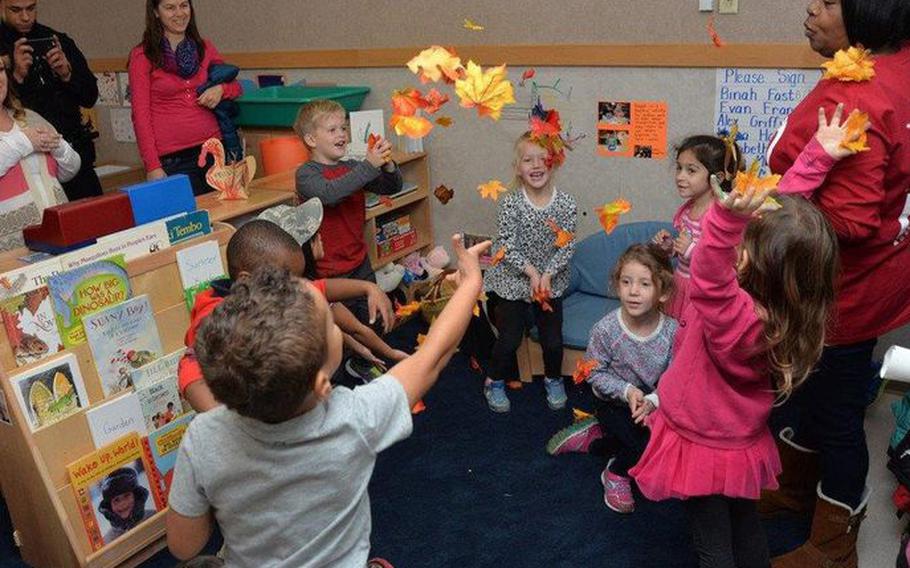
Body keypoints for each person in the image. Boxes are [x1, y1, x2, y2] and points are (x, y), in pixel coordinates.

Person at [165, 235, 489, 567]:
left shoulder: (203, 435)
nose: (337, 325)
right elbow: (433, 357)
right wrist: (470, 282)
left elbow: (184, 545)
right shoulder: (353, 419)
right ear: (323, 384)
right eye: (331, 327)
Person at [765, 1, 910, 565]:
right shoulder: (899, 67)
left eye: (827, 1)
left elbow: (846, 222)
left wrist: (764, 215)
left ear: (866, 15)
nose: (811, 8)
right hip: (878, 279)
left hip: (841, 293)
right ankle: (795, 486)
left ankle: (833, 543)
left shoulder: (856, 93)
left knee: (837, 415)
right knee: (818, 391)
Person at [627, 186, 839, 567]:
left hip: (702, 443)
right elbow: (787, 213)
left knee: (712, 545)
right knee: (745, 523)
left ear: (754, 262)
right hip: (740, 440)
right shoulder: (786, 315)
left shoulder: (735, 316)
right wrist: (818, 155)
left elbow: (709, 272)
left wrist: (726, 219)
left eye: (744, 243)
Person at [176, 219, 395, 413]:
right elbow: (189, 372)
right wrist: (235, 429)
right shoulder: (214, 317)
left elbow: (320, 287)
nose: (297, 287)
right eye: (289, 278)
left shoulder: (266, 290)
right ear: (246, 279)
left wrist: (368, 288)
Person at [548, 244, 676, 514]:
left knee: (667, 444)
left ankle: (595, 440)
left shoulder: (673, 332)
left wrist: (653, 399)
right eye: (626, 282)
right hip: (613, 402)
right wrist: (627, 391)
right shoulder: (605, 330)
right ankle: (616, 473)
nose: (633, 291)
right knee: (644, 444)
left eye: (644, 284)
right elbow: (594, 372)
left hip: (654, 401)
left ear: (663, 292)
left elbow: (677, 375)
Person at [258, 200, 408, 384]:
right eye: (313, 235)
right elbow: (355, 328)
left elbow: (346, 326)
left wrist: (362, 350)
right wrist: (391, 353)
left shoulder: (291, 288)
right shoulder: (307, 293)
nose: (320, 236)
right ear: (298, 252)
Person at [482, 131, 577, 413]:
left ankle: (553, 378)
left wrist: (547, 274)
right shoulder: (511, 203)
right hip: (513, 281)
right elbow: (504, 245)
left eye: (543, 159)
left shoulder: (566, 203)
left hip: (550, 283)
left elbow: (567, 245)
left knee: (553, 340)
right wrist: (531, 272)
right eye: (528, 160)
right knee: (509, 338)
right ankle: (494, 380)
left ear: (554, 162)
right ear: (518, 168)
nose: (536, 165)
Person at [295, 99, 402, 326]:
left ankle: (373, 359)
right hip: (327, 271)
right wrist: (368, 165)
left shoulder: (353, 167)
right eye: (332, 130)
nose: (341, 134)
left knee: (373, 322)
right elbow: (330, 194)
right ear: (311, 139)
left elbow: (390, 187)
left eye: (343, 128)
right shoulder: (306, 174)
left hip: (360, 262)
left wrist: (387, 164)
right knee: (342, 330)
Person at [128, 0, 242, 195]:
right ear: (156, 12)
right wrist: (153, 166)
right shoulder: (142, 56)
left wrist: (221, 90)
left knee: (227, 217)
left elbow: (236, 87)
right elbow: (140, 116)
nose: (179, 13)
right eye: (170, 8)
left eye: (183, 5)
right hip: (173, 160)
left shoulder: (205, 48)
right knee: (190, 223)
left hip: (215, 150)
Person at [0, 0, 101, 202]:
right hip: (25, 166)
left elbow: (90, 96)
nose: (25, 17)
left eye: (31, 8)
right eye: (16, 10)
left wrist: (66, 73)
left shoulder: (57, 39)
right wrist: (16, 75)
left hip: (73, 152)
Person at [0, 55, 79, 251]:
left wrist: (59, 148)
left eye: (0, 70)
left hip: (58, 236)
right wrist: (26, 141)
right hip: (11, 249)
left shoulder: (28, 117)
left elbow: (68, 171)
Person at [653, 135, 737, 319]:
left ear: (718, 177)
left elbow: (724, 262)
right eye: (679, 168)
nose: (680, 177)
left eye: (691, 170)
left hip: (704, 292)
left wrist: (690, 249)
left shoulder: (719, 216)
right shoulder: (687, 210)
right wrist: (670, 247)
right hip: (681, 286)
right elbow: (684, 250)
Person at [98, 466, 157, 544]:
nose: (122, 504)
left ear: (136, 496)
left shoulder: (154, 517)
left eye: (126, 495)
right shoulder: (107, 542)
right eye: (116, 500)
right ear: (109, 506)